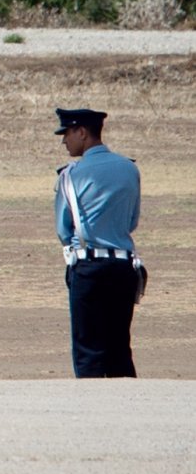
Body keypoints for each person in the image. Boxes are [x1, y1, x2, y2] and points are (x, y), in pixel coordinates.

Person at [54, 107, 143, 379]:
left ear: (82, 132)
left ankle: (92, 413)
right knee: (119, 347)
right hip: (123, 266)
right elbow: (132, 220)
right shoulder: (129, 169)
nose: (64, 140)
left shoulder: (70, 175)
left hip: (89, 266)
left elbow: (63, 228)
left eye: (67, 133)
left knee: (88, 350)